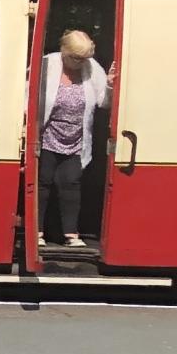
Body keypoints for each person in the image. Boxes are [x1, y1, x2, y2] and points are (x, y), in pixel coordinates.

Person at [38, 29, 110, 248]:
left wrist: (111, 85)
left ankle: (71, 234)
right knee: (43, 184)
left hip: (76, 140)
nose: (80, 62)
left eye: (84, 58)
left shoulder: (92, 68)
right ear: (64, 50)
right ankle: (37, 232)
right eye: (76, 58)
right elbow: (26, 95)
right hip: (47, 135)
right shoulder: (47, 65)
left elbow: (104, 102)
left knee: (71, 184)